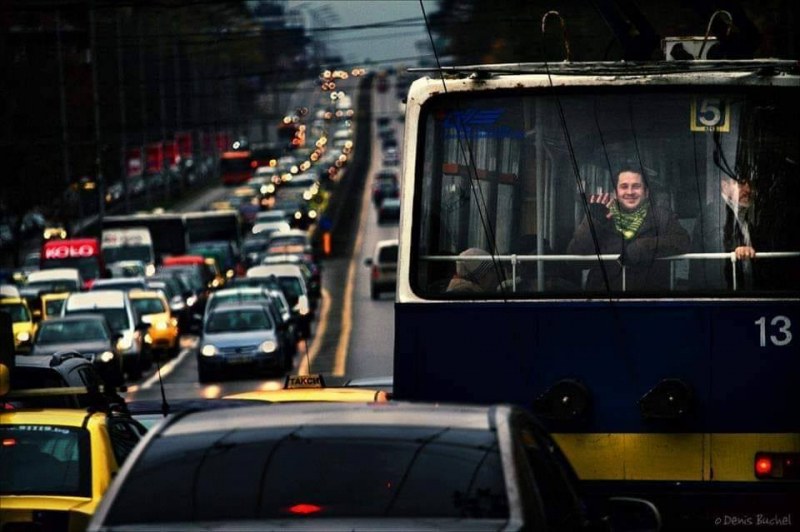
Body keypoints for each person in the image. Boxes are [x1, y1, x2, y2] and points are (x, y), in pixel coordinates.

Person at [566, 168, 690, 291]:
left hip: (650, 299)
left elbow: (683, 242)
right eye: (624, 186)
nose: (630, 192)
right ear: (615, 193)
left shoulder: (662, 217)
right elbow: (575, 261)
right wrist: (593, 221)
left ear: (646, 192)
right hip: (604, 299)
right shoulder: (601, 216)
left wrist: (642, 247)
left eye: (636, 186)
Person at [690, 175, 756, 289]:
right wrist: (738, 248)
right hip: (717, 295)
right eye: (741, 183)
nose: (748, 190)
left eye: (750, 184)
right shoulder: (714, 213)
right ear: (725, 186)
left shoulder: (744, 218)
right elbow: (717, 243)